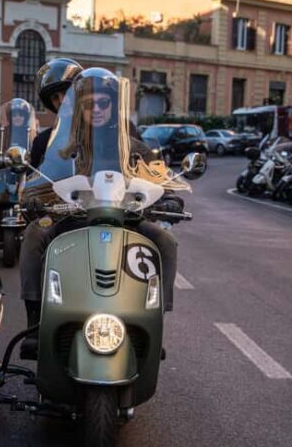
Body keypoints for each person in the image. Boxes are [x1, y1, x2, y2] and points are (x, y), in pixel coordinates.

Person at [18, 68, 179, 360]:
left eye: (104, 102)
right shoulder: (63, 146)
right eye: (89, 103)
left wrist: (169, 196)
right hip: (71, 217)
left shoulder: (130, 142)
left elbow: (155, 174)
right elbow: (42, 178)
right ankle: (35, 324)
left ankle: (156, 324)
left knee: (165, 240)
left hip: (125, 217)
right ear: (80, 108)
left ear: (113, 105)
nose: (97, 109)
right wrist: (32, 198)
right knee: (34, 234)